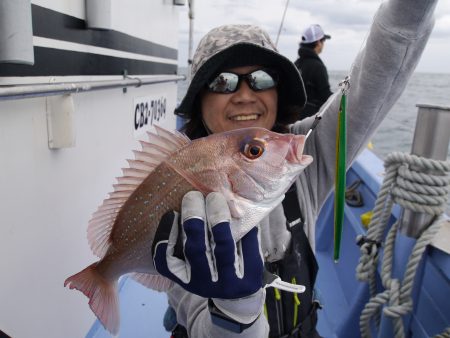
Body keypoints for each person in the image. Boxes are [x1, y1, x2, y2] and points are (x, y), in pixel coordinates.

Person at [151, 0, 438, 337]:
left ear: (279, 91)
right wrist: (232, 317)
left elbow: (376, 78)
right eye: (222, 82)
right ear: (199, 99)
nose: (244, 95)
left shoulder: (301, 151)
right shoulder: (172, 183)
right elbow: (199, 324)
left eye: (261, 78)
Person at [294, 24, 333, 117]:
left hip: (293, 119)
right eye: (323, 41)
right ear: (319, 42)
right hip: (310, 121)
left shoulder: (296, 64)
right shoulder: (318, 67)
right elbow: (326, 96)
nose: (323, 45)